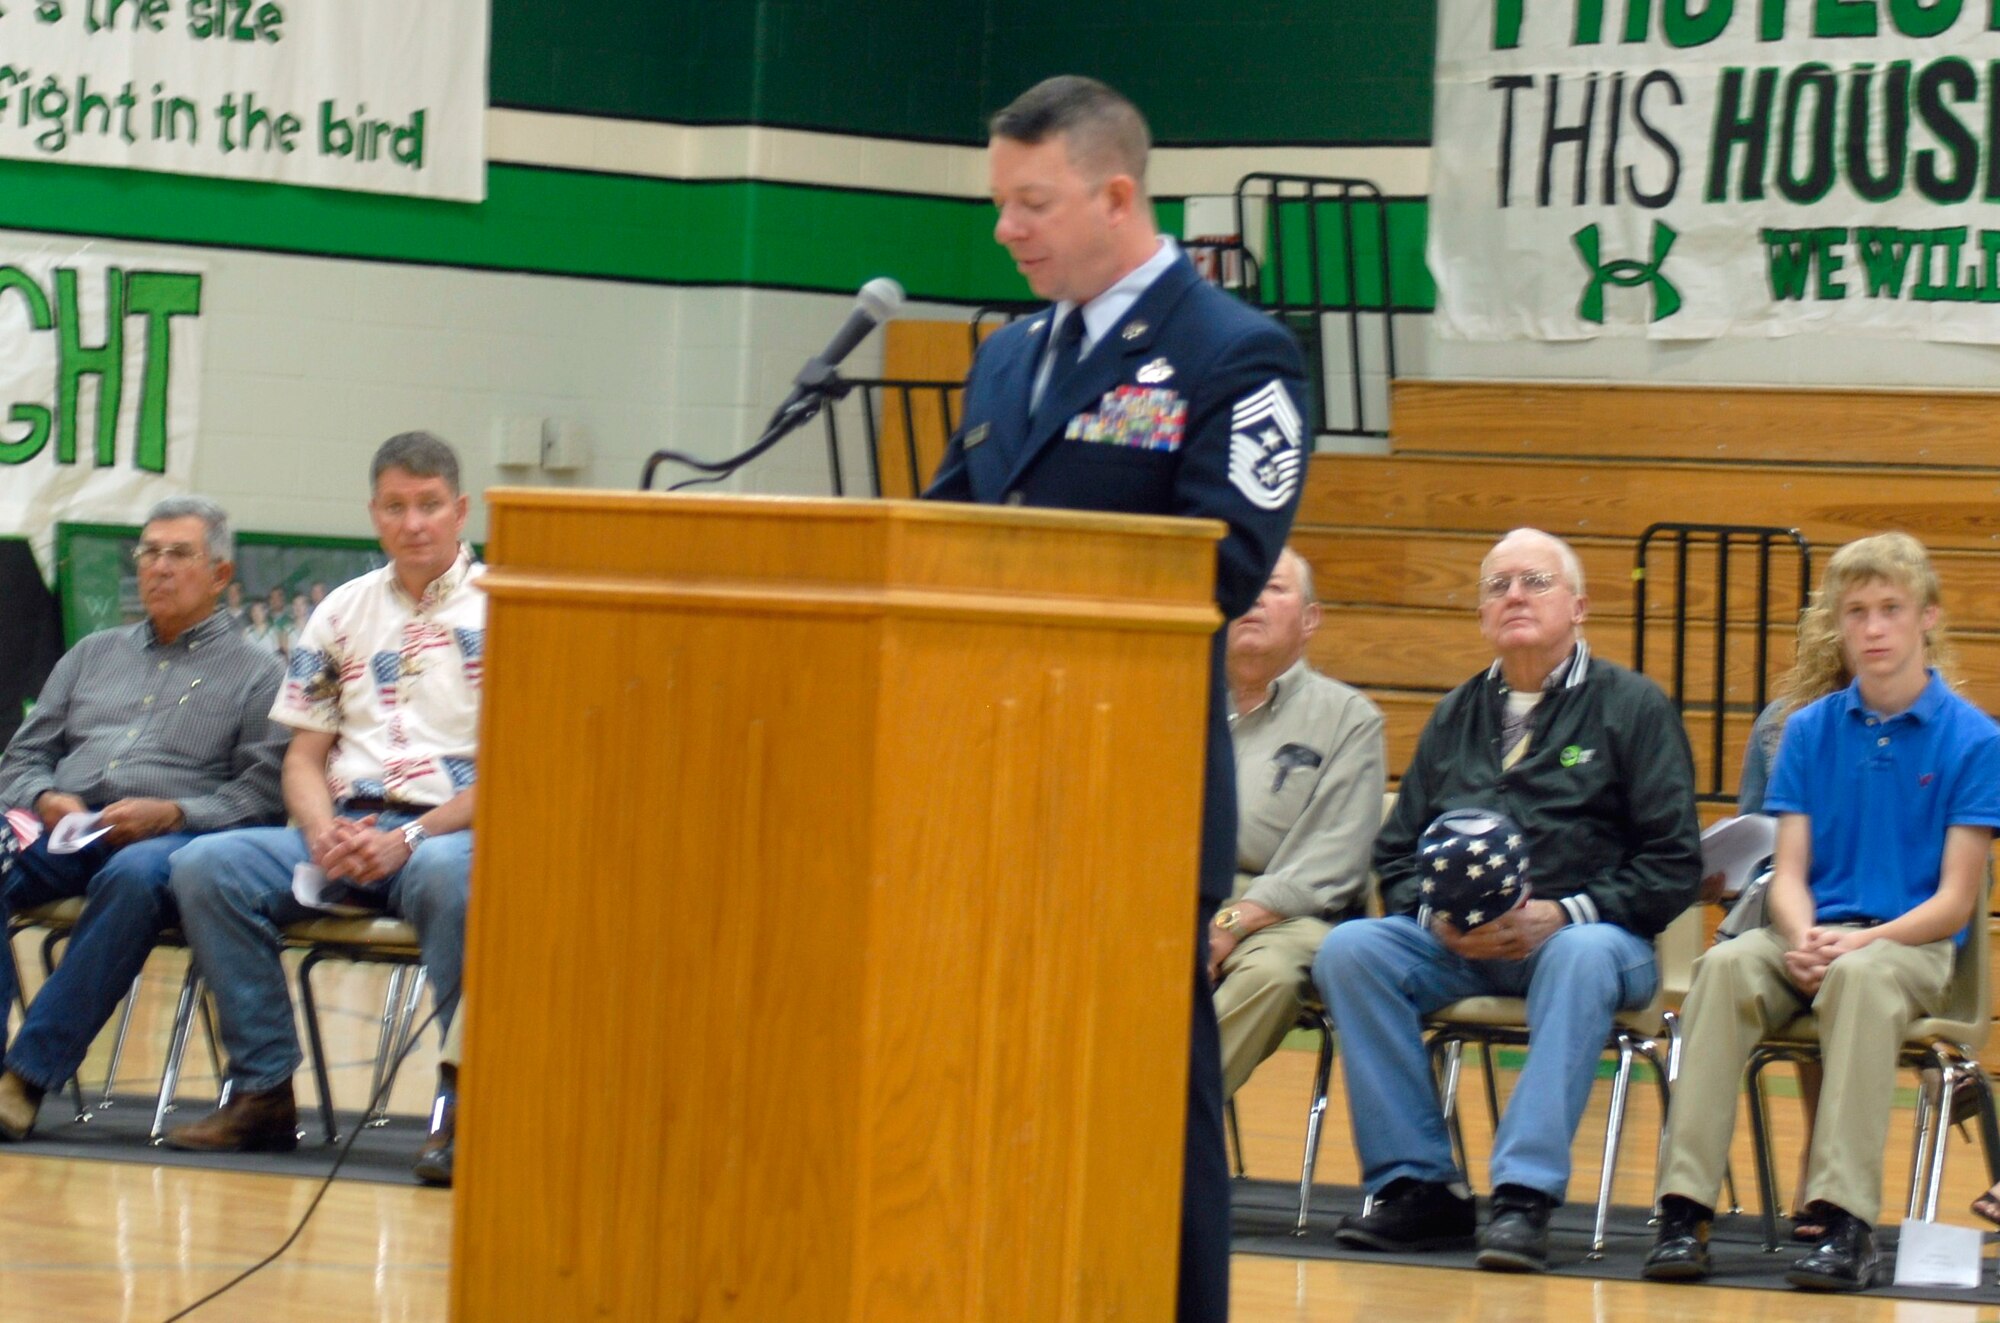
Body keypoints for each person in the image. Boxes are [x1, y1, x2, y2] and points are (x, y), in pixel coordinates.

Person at [924, 75, 1308, 1322]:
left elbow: (1226, 562)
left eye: (1029, 203)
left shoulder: (1233, 351)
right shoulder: (1003, 356)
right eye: (999, 204)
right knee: (986, 1076)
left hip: (1124, 790)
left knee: (1146, 1091)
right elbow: (934, 539)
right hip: (977, 786)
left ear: (1115, 194)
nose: (1005, 230)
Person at [1314, 527, 1701, 1273]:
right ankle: (1419, 1184)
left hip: (1591, 942)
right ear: (1483, 614)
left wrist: (1562, 913)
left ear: (1580, 606)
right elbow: (1395, 854)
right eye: (1498, 585)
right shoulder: (1457, 712)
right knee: (1351, 949)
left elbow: (1674, 863)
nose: (1514, 595)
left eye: (1535, 581)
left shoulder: (1633, 707)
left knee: (1582, 956)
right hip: (1462, 950)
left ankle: (1523, 1194)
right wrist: (1440, 924)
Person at [1645, 532, 2000, 1291]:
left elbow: (1954, 901)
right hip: (1812, 928)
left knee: (1863, 980)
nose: (1872, 628)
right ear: (1837, 626)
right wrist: (1805, 932)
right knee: (1724, 967)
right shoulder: (1804, 730)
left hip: (1909, 942)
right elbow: (1790, 870)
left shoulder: (1975, 739)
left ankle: (1844, 1221)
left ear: (1927, 618)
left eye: (1890, 609)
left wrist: (1854, 945)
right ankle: (1684, 1208)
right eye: (1856, 612)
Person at [164, 431, 482, 1184]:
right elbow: (304, 757)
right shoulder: (341, 611)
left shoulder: (507, 609)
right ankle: (265, 1091)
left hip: (447, 830)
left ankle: (466, 1109)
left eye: (430, 505)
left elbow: (517, 769)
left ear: (460, 509)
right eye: (397, 506)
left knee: (448, 878)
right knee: (206, 864)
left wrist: (407, 836)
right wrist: (320, 828)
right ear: (374, 514)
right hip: (346, 825)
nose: (414, 523)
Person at [0, 497, 287, 1139]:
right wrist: (46, 795)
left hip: (169, 839)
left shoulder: (260, 675)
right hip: (63, 824)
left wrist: (175, 812)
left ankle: (24, 1078)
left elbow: (263, 795)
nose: (158, 568)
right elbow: (21, 757)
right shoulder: (91, 654)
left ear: (219, 574)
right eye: (149, 553)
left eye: (178, 554)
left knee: (133, 877)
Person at [1215, 547, 1383, 1098]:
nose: (1254, 599)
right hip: (1176, 900)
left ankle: (1152, 1129)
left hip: (1287, 917)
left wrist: (1228, 925)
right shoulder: (1176, 699)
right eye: (1246, 584)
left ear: (1311, 620)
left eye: (1276, 588)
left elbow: (1329, 863)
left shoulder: (1348, 719)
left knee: (1269, 976)